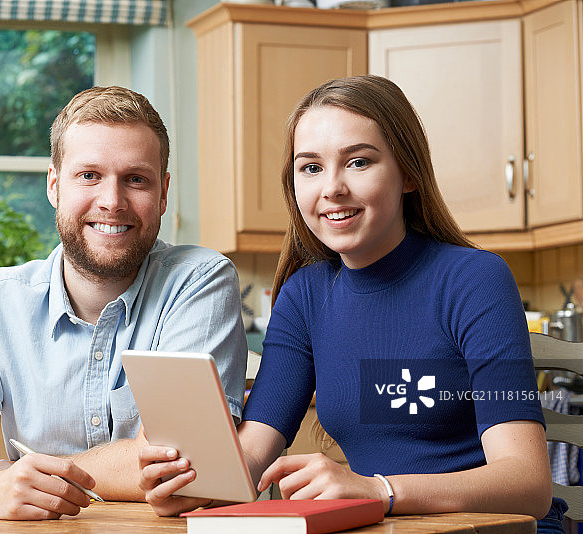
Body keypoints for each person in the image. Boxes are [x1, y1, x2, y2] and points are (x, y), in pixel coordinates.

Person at [139, 75, 564, 531]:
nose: (332, 188)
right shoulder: (304, 297)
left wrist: (380, 490)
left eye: (358, 162)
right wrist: (190, 483)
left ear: (409, 174)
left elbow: (529, 483)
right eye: (311, 167)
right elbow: (254, 450)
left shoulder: (475, 280)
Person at [0, 86, 248, 520]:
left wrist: (22, 475)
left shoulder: (199, 281)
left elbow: (182, 462)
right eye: (89, 176)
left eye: (135, 179)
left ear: (163, 193)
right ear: (54, 186)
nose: (112, 201)